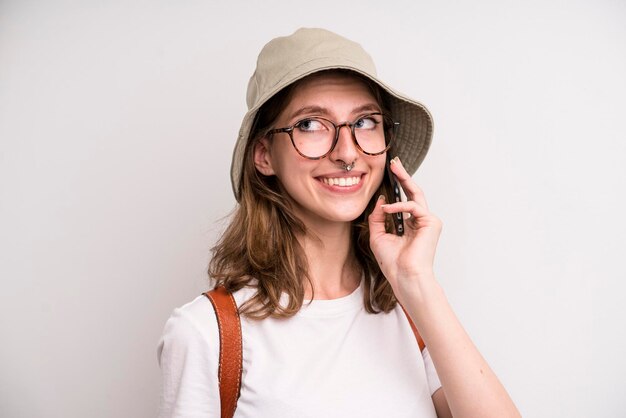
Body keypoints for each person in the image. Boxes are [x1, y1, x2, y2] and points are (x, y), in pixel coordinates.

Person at [157, 28, 521, 418]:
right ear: (263, 155)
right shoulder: (205, 334)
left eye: (365, 122)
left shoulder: (409, 312)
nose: (347, 153)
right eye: (311, 125)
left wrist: (417, 283)